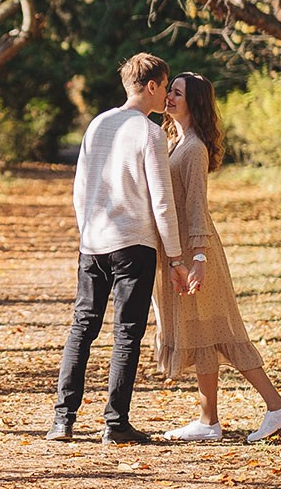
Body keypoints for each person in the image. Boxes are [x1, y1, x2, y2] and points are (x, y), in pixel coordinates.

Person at [46, 53, 189, 445]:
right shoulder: (148, 133)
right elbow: (162, 201)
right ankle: (115, 423)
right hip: (133, 246)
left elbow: (79, 189)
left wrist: (87, 231)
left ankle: (63, 420)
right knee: (127, 333)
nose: (166, 99)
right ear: (153, 86)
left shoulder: (98, 124)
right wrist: (175, 257)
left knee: (82, 327)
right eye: (165, 87)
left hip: (93, 244)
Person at [153, 71, 281, 443]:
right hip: (183, 250)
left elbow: (197, 207)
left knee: (224, 332)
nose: (169, 96)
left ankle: (276, 406)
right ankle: (208, 421)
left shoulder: (194, 148)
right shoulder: (176, 141)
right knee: (204, 335)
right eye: (170, 91)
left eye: (177, 93)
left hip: (197, 252)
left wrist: (197, 257)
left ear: (194, 101)